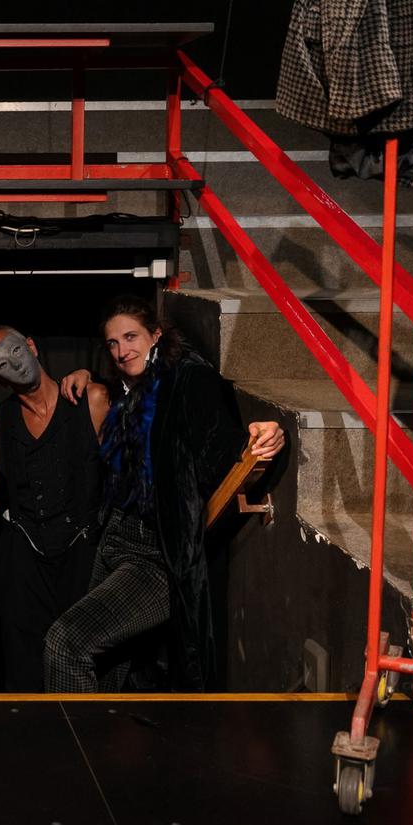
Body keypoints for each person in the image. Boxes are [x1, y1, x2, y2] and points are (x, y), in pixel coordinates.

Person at [44, 296, 285, 693]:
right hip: (113, 540)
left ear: (156, 335)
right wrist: (87, 375)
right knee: (105, 668)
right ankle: (100, 734)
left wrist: (263, 435)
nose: (122, 351)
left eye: (131, 337)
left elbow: (217, 446)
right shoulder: (128, 389)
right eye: (113, 343)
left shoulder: (189, 380)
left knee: (66, 643)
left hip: (156, 554)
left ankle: (74, 736)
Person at [0, 324, 107, 692]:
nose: (15, 364)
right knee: (26, 666)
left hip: (83, 553)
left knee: (83, 657)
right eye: (2, 364)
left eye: (16, 351)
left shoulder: (91, 399)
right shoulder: (0, 421)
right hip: (26, 560)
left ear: (31, 346)